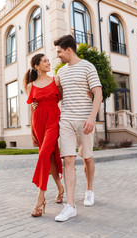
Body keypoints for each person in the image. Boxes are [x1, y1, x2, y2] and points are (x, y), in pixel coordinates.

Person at [54, 35, 103, 222]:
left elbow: (98, 93)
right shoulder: (61, 72)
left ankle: (89, 189)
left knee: (87, 158)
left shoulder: (88, 67)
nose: (57, 55)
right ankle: (70, 205)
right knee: (68, 159)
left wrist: (92, 117)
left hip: (84, 120)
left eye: (59, 51)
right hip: (65, 120)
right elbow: (57, 96)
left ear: (69, 50)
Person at [24, 53, 65, 217]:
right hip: (38, 122)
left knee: (43, 155)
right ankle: (60, 188)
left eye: (48, 60)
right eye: (45, 61)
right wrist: (31, 131)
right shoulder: (30, 86)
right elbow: (31, 109)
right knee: (49, 157)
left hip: (53, 120)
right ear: (36, 66)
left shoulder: (56, 80)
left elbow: (65, 98)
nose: (48, 63)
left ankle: (40, 199)